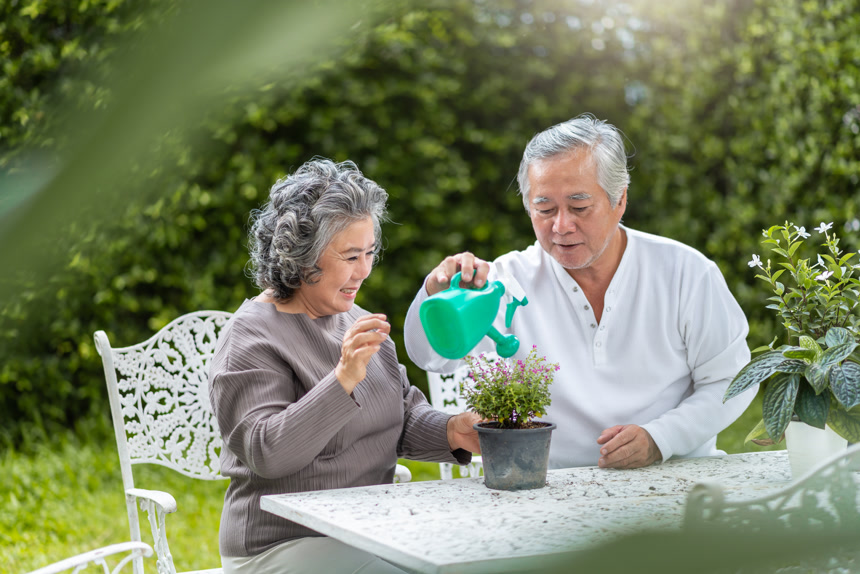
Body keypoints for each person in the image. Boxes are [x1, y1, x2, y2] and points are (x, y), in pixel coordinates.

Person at [404, 114, 757, 470]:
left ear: (619, 200)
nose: (561, 226)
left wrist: (661, 439)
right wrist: (436, 295)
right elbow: (432, 358)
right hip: (542, 492)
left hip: (675, 484)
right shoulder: (503, 283)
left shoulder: (686, 273)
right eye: (544, 209)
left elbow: (733, 381)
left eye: (579, 207)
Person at [209, 158, 480, 574]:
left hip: (365, 534)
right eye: (351, 255)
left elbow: (399, 415)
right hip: (281, 545)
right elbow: (268, 452)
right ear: (301, 256)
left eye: (370, 252)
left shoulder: (357, 322)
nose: (365, 270)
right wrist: (342, 380)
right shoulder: (251, 337)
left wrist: (451, 430)